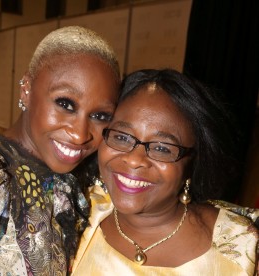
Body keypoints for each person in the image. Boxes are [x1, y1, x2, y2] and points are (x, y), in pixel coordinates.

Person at [72, 68, 258, 275]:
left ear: (192, 162)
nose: (134, 160)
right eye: (122, 137)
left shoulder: (243, 247)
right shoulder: (73, 213)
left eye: (162, 148)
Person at [0, 26, 120, 275]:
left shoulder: (84, 179)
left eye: (100, 116)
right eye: (65, 103)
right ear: (26, 88)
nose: (80, 135)